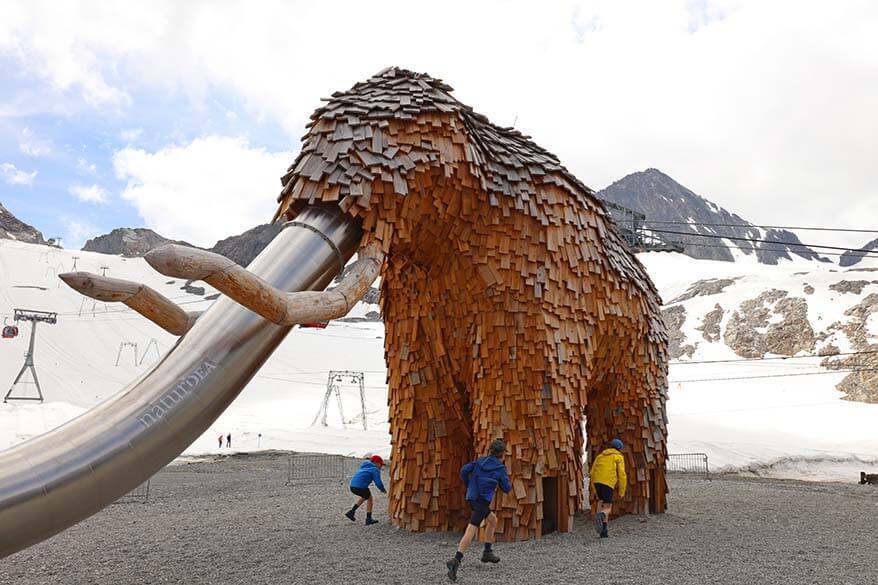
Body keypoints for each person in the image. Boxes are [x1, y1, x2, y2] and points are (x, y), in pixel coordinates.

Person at [446, 439, 511, 582]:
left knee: (493, 520)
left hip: (472, 497)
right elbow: (507, 488)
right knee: (472, 529)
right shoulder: (500, 469)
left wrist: (469, 483)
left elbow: (464, 470)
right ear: (502, 454)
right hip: (482, 501)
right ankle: (455, 561)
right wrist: (503, 481)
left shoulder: (479, 461)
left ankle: (487, 552)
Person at [589, 438, 627, 538]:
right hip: (608, 483)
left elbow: (592, 472)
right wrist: (622, 492)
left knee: (601, 502)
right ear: (619, 448)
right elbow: (622, 475)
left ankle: (603, 531)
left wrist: (594, 487)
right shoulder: (618, 457)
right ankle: (601, 515)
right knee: (607, 508)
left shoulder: (600, 456)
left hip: (597, 482)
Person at [345, 455, 386, 525]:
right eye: (380, 464)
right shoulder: (375, 469)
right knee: (370, 498)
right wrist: (382, 489)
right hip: (360, 487)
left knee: (365, 496)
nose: (381, 466)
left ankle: (351, 512)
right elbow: (378, 482)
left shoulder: (365, 466)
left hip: (352, 486)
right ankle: (368, 519)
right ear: (376, 463)